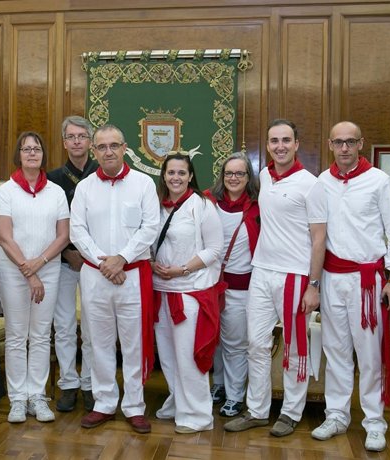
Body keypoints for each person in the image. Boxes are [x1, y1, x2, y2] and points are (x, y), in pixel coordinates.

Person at [311, 121, 390, 452]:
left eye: (350, 142)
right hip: (331, 278)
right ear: (329, 144)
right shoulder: (322, 182)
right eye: (338, 142)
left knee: (368, 355)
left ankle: (373, 422)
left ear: (361, 144)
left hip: (367, 281)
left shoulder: (379, 181)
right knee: (335, 350)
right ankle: (337, 415)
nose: (344, 148)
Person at [224, 119, 327, 437]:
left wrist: (314, 285)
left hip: (295, 276)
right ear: (267, 146)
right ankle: (256, 410)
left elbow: (320, 238)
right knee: (255, 344)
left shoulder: (312, 184)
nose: (280, 145)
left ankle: (291, 413)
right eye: (274, 140)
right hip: (261, 272)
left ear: (297, 144)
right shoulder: (263, 177)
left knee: (296, 347)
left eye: (286, 140)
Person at [70, 124, 160, 434]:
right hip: (95, 276)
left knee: (133, 343)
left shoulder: (144, 184)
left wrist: (121, 258)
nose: (108, 151)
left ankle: (134, 406)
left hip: (132, 275)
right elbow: (77, 231)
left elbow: (151, 227)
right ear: (94, 151)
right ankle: (104, 403)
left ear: (124, 148)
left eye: (114, 145)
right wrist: (103, 261)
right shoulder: (84, 188)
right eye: (101, 147)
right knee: (99, 342)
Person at [0, 131, 69, 424]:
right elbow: (4, 236)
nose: (32, 153)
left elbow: (64, 235)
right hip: (14, 271)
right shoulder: (6, 191)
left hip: (48, 269)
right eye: (26, 149)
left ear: (43, 155)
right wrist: (29, 269)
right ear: (19, 155)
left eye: (37, 148)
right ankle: (17, 398)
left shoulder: (56, 192)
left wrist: (40, 263)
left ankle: (37, 395)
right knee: (16, 335)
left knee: (40, 336)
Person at [152, 152, 223, 434]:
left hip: (189, 292)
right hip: (161, 290)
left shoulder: (202, 206)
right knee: (168, 356)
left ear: (191, 176)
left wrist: (181, 269)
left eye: (182, 173)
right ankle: (179, 401)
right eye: (171, 173)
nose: (176, 178)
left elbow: (214, 249)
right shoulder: (156, 206)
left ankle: (197, 414)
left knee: (187, 356)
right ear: (164, 176)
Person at [46, 116, 97, 413]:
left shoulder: (102, 174)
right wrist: (67, 252)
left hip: (94, 264)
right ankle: (68, 384)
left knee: (92, 328)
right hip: (63, 262)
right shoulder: (52, 179)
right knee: (63, 326)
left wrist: (88, 255)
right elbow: (47, 223)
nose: (77, 141)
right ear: (64, 142)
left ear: (90, 141)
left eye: (82, 136)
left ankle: (90, 384)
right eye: (71, 137)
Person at [207, 152, 260, 418]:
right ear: (222, 176)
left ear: (248, 177)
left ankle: (236, 395)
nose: (234, 178)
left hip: (241, 287)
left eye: (240, 173)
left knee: (235, 342)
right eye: (229, 173)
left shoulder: (258, 207)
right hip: (209, 284)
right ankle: (218, 384)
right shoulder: (208, 201)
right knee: (213, 338)